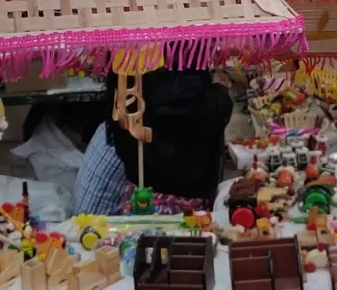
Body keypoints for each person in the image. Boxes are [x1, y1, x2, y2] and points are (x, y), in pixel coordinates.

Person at [71, 67, 234, 212]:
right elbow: (193, 111)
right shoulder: (179, 67)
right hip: (178, 200)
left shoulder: (128, 57)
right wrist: (220, 92)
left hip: (138, 187)